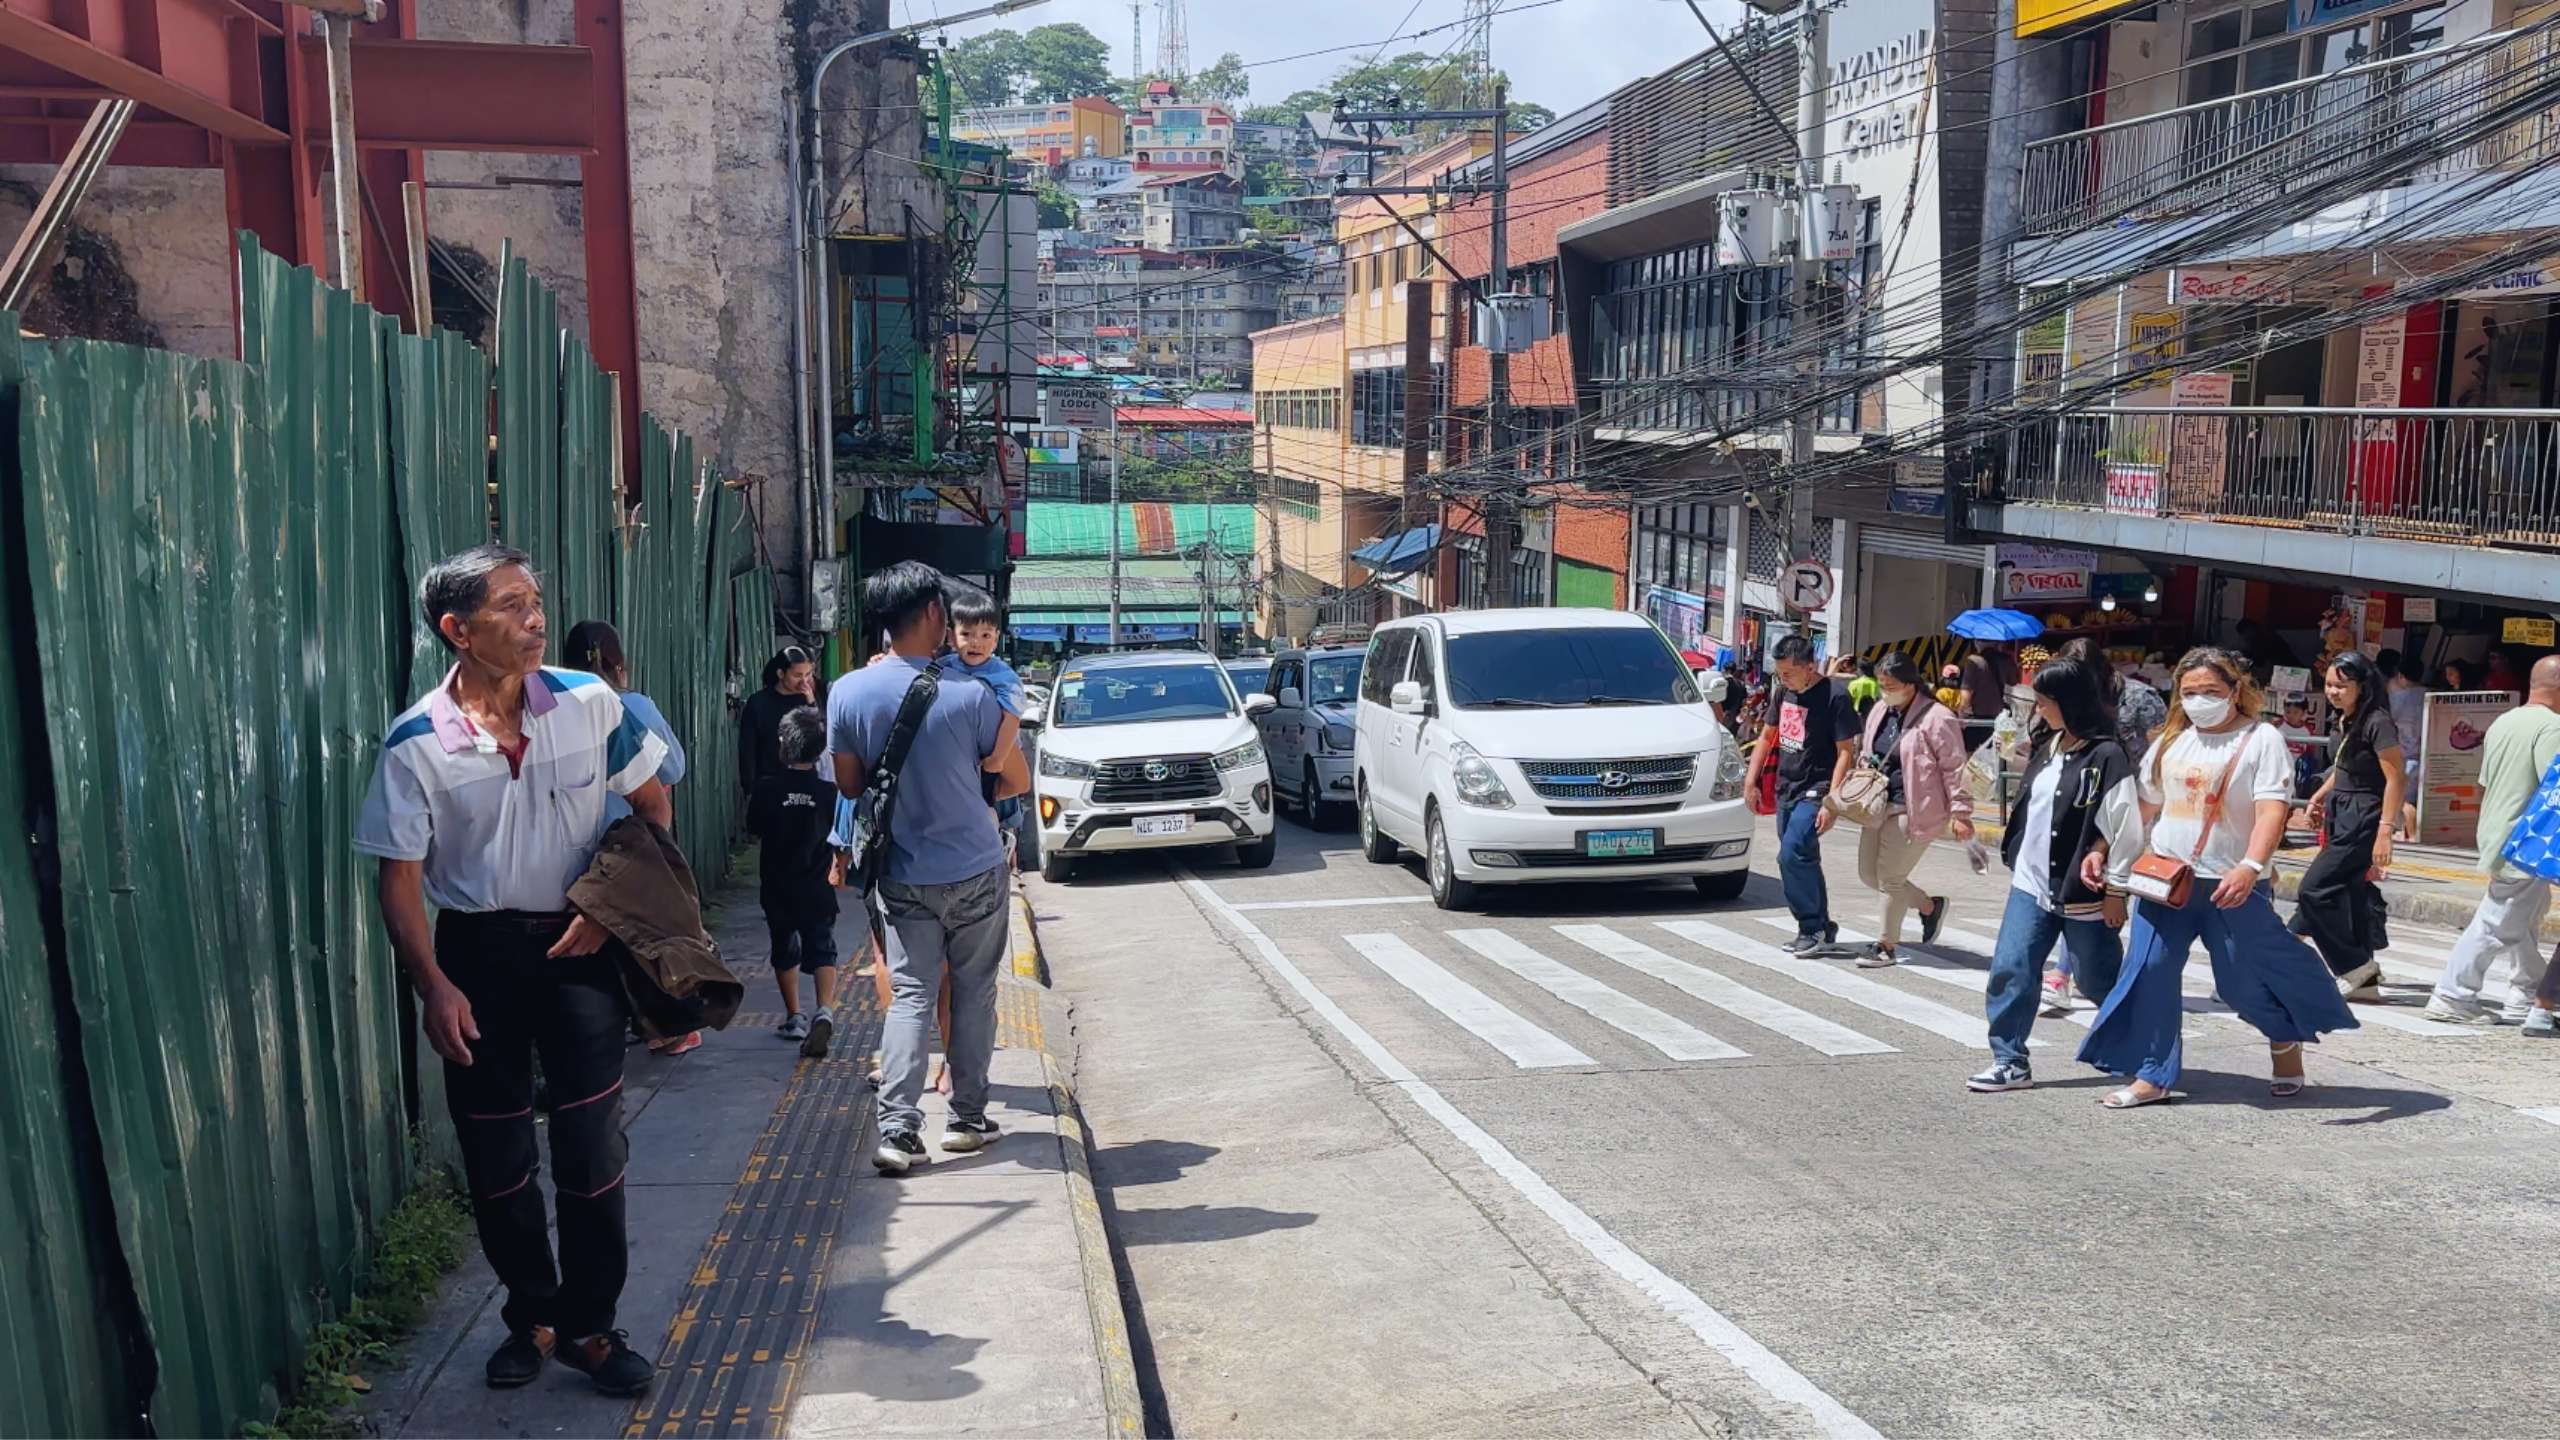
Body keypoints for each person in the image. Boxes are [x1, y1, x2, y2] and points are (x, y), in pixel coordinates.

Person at [354, 543, 670, 1395]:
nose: (535, 619)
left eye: (536, 601)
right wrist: (434, 986)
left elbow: (651, 804)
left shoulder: (589, 700)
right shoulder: (417, 742)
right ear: (458, 630)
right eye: (511, 606)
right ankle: (532, 1313)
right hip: (477, 956)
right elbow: (401, 877)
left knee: (591, 1145)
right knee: (495, 1159)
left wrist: (608, 908)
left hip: (581, 947)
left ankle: (593, 1329)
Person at [2076, 648, 2358, 1107]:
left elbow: (2272, 811)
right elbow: (2144, 807)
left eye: (2210, 691)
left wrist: (2250, 866)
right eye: (2189, 692)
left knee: (2239, 984)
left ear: (2235, 691)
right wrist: (2103, 849)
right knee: (2149, 970)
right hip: (2166, 879)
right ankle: (2153, 1074)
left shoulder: (2262, 738)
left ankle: (2284, 1036)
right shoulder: (2170, 740)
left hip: (2232, 884)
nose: (2199, 700)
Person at [829, 562, 1032, 1176]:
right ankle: (967, 1120)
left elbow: (849, 782)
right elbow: (1013, 780)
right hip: (973, 866)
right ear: (937, 616)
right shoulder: (972, 695)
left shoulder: (847, 690)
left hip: (903, 872)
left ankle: (897, 1131)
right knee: (973, 992)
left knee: (911, 995)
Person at [1970, 656, 2143, 1092]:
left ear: (2071, 701)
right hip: (2031, 882)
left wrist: (2116, 890)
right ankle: (2010, 1059)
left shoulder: (2107, 755)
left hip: (2081, 888)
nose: (2039, 708)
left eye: (2045, 700)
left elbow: (2123, 824)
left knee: (2096, 977)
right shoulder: (2048, 745)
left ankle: (2140, 1046)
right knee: (2012, 967)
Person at [563, 619, 699, 1057]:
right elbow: (672, 768)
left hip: (565, 847)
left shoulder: (550, 705)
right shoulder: (632, 705)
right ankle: (666, 1029)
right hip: (626, 844)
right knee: (639, 936)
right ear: (619, 664)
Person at [2424, 654, 2560, 1026]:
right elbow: (2555, 788)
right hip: (2528, 838)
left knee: (2526, 916)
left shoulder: (2505, 721)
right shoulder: (2552, 727)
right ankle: (2453, 993)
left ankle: (2526, 992)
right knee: (2497, 921)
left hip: (2498, 828)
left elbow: (2485, 780)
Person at [2293, 651, 2407, 999]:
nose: (2333, 692)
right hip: (2342, 810)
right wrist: (2319, 796)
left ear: (2362, 685)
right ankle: (2365, 983)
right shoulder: (2346, 719)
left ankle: (2354, 966)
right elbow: (2346, 767)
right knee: (2350, 892)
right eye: (2329, 685)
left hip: (2365, 815)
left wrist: (2385, 831)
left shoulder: (2377, 721)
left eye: (2341, 685)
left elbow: (2396, 777)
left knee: (2313, 889)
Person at [1848, 653, 1973, 968]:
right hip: (1876, 803)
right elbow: (1868, 749)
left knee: (1890, 877)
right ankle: (1929, 907)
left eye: (1890, 685)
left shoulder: (1938, 717)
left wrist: (1961, 813)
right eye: (1882, 685)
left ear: (1910, 684)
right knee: (1868, 873)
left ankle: (1886, 946)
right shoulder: (1880, 710)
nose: (1885, 691)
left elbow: (1954, 767)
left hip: (1915, 806)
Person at [1745, 634, 1859, 953]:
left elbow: (1846, 751)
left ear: (1810, 667)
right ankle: (1821, 925)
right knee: (1803, 857)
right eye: (1780, 673)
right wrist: (1750, 781)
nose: (1783, 679)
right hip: (1786, 785)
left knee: (1791, 853)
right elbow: (1767, 738)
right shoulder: (1783, 693)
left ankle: (1810, 926)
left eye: (1789, 673)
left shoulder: (1835, 696)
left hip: (1818, 787)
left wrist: (1832, 802)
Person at [749, 706, 843, 1056]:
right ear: (821, 750)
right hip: (817, 886)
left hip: (777, 886)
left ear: (782, 745)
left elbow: (755, 827)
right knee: (823, 948)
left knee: (783, 949)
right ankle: (825, 1009)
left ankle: (794, 1016)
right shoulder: (827, 792)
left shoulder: (767, 789)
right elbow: (838, 836)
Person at [739, 644, 818, 794]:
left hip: (806, 786)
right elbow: (747, 749)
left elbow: (821, 741)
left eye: (808, 674)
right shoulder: (759, 703)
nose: (804, 682)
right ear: (781, 673)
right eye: (797, 675)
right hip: (769, 785)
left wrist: (812, 703)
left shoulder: (810, 700)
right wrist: (750, 788)